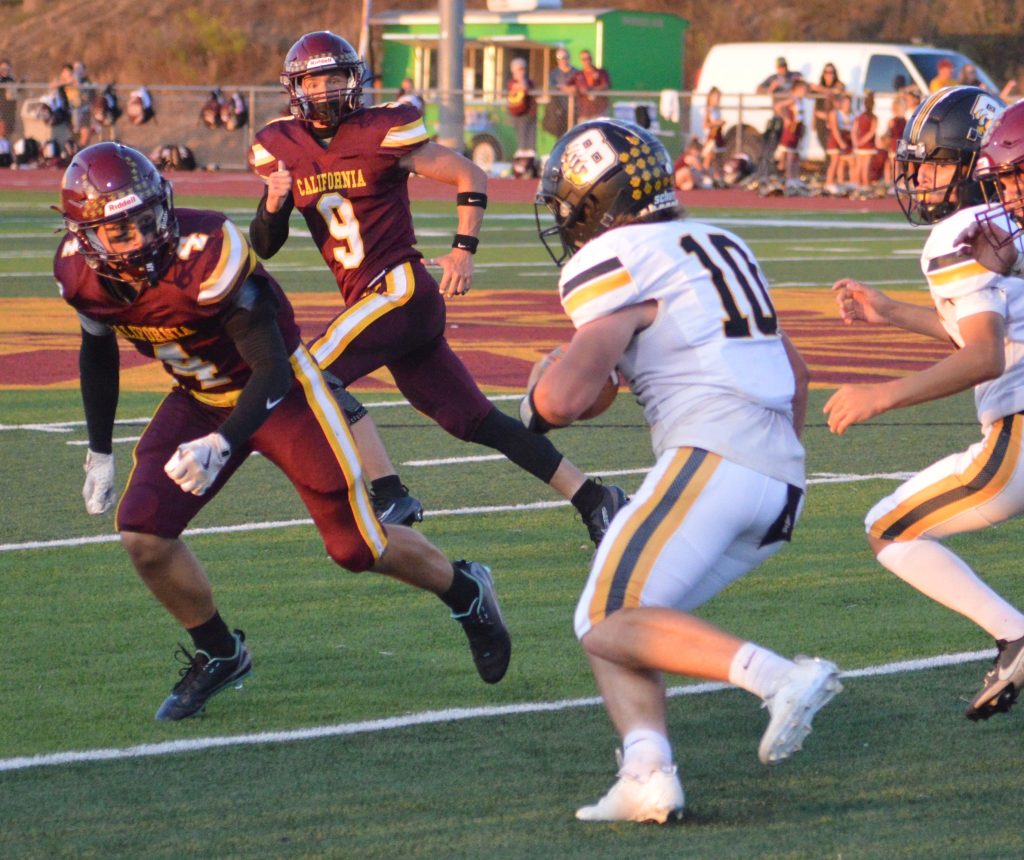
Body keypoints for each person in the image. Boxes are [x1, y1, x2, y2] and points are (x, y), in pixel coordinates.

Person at [57, 141, 512, 721]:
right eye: (121, 231)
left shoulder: (209, 250)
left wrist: (223, 442)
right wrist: (99, 450)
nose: (143, 238)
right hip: (199, 399)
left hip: (283, 394)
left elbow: (271, 369)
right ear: (86, 238)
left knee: (357, 547)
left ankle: (466, 591)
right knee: (143, 531)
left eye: (148, 219)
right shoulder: (79, 274)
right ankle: (221, 652)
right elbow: (97, 352)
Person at [528, 118, 842, 823]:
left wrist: (539, 391)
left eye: (568, 200)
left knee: (607, 616)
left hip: (714, 453)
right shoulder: (720, 240)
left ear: (596, 200)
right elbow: (796, 371)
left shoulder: (614, 256)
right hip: (779, 479)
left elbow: (564, 400)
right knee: (614, 614)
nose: (563, 217)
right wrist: (774, 462)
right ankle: (647, 773)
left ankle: (777, 677)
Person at [248, 31, 627, 547]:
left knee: (310, 377)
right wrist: (273, 204)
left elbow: (470, 174)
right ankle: (595, 499)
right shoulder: (281, 147)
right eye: (315, 80)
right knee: (474, 420)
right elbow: (265, 245)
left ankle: (388, 492)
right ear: (296, 88)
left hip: (399, 291)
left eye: (335, 77)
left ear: (353, 79)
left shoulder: (380, 131)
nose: (326, 88)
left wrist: (463, 249)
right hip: (379, 307)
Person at [823, 86, 1024, 722]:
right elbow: (993, 331)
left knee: (889, 528)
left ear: (978, 163)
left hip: (1018, 436)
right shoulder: (1008, 226)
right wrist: (892, 312)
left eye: (936, 164)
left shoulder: (961, 232)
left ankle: (1015, 636)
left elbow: (985, 356)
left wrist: (881, 394)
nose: (921, 179)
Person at [775, 79, 809, 194]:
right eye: (803, 89)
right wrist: (785, 118)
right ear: (797, 89)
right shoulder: (793, 99)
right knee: (789, 155)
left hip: (798, 129)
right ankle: (789, 178)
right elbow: (778, 106)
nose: (805, 92)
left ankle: (795, 178)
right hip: (791, 129)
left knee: (795, 155)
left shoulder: (801, 100)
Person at [506, 57, 537, 172]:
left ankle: (530, 167)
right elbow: (523, 87)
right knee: (522, 142)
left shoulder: (529, 81)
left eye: (524, 69)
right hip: (518, 115)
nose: (523, 71)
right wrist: (520, 78)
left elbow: (530, 88)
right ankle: (520, 168)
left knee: (530, 143)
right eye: (520, 69)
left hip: (529, 115)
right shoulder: (512, 82)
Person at [810, 63, 846, 157]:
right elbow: (816, 106)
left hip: (834, 124)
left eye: (831, 72)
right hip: (821, 123)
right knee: (828, 151)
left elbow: (835, 92)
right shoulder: (820, 86)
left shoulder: (838, 85)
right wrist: (813, 121)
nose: (829, 74)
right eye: (826, 72)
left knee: (833, 153)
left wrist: (819, 89)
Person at [544, 48, 578, 138]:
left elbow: (579, 86)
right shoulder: (554, 74)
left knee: (574, 134)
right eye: (560, 58)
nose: (563, 60)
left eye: (565, 57)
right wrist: (566, 88)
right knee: (560, 135)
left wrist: (570, 88)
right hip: (559, 110)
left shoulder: (576, 72)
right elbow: (552, 88)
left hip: (574, 109)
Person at [824, 92, 854, 195]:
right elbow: (834, 129)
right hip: (834, 140)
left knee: (838, 162)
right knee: (834, 162)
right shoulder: (833, 113)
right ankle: (828, 183)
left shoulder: (837, 113)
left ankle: (836, 183)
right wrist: (841, 142)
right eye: (839, 101)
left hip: (837, 140)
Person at [571, 49, 611, 123]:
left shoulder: (601, 72)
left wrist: (590, 89)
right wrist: (576, 89)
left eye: (588, 58)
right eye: (584, 59)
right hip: (584, 112)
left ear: (592, 59)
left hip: (599, 111)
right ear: (581, 61)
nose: (587, 61)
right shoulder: (578, 75)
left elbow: (605, 85)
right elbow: (569, 85)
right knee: (584, 130)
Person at [851, 91, 878, 197]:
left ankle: (858, 186)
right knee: (865, 168)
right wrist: (862, 141)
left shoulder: (859, 116)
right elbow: (872, 132)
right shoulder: (873, 117)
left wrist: (856, 142)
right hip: (868, 146)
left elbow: (854, 130)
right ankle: (866, 186)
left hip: (859, 145)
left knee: (859, 167)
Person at [700, 86, 726, 186]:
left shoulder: (717, 110)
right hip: (711, 136)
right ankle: (705, 177)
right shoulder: (708, 110)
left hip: (718, 135)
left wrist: (721, 123)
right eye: (716, 97)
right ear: (710, 97)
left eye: (719, 98)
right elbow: (705, 124)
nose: (718, 100)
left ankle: (718, 178)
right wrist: (716, 123)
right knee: (709, 158)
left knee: (718, 158)